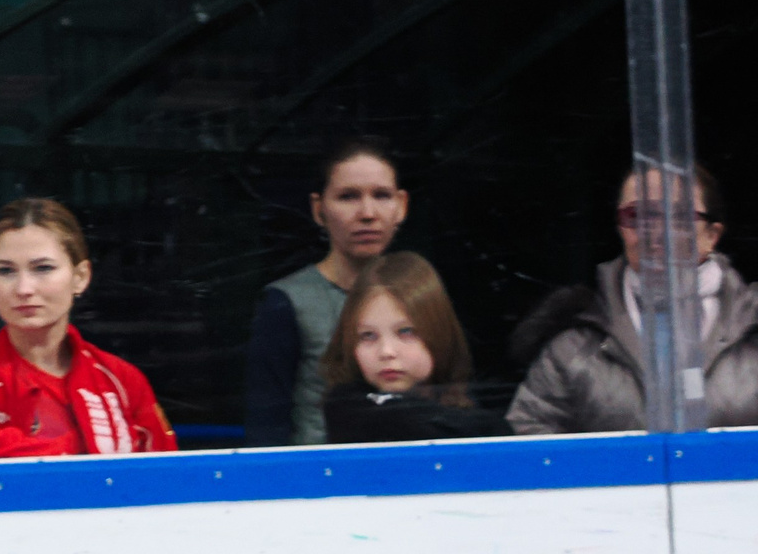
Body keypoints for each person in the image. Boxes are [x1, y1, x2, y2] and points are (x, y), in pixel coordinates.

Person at [0, 198, 178, 459]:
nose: (24, 289)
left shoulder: (121, 380)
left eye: (43, 268)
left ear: (80, 277)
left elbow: (170, 477)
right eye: (5, 271)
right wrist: (60, 455)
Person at [509, 166, 758, 434]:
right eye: (637, 216)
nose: (656, 232)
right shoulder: (575, 344)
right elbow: (531, 436)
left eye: (678, 217)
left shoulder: (751, 326)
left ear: (712, 235)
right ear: (620, 228)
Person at [246, 138, 410, 446]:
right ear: (319, 209)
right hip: (317, 479)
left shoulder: (420, 296)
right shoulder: (287, 302)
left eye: (382, 195)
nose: (367, 212)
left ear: (401, 206)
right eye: (348, 197)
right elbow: (266, 425)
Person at [320, 253, 507, 443]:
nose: (386, 352)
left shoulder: (474, 413)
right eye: (368, 335)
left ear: (439, 332)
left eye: (406, 332)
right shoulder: (348, 410)